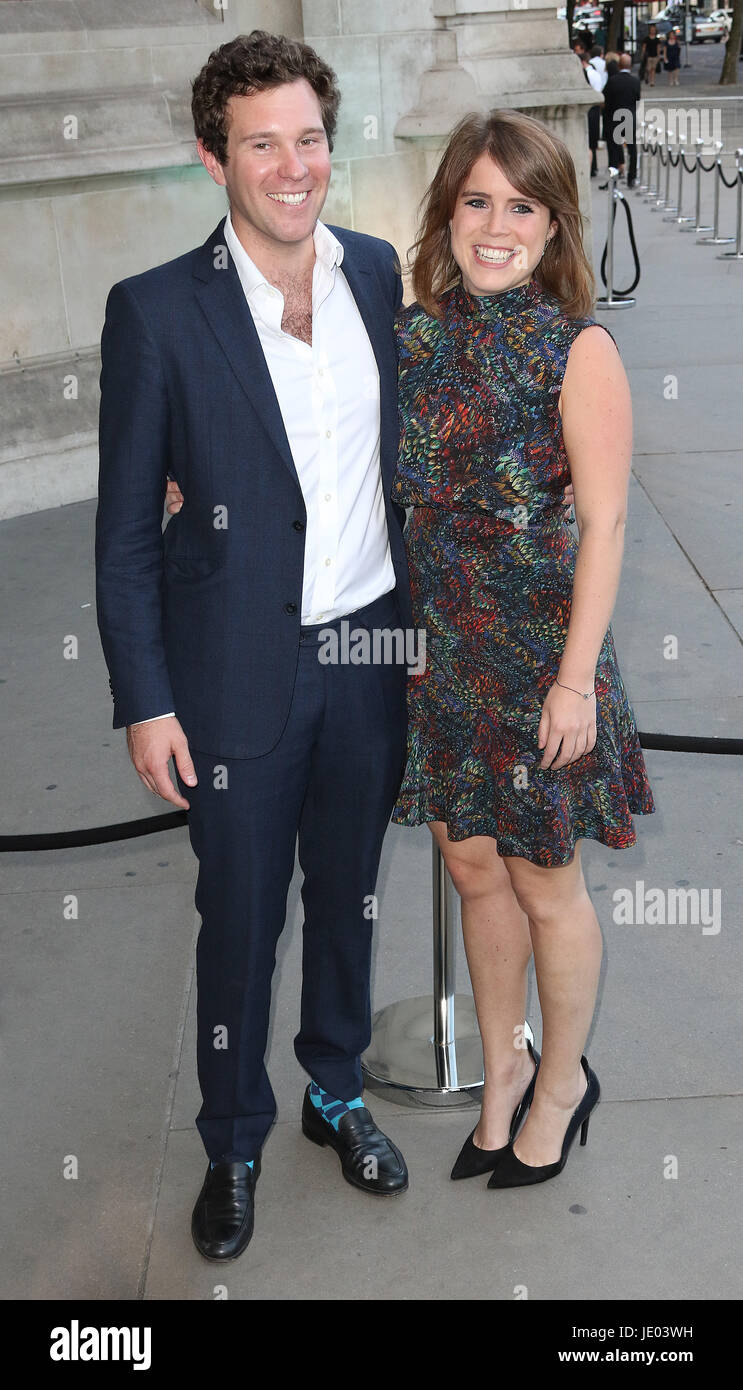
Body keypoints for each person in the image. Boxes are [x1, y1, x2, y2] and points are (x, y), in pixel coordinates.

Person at [96, 30, 415, 1265]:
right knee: (238, 918)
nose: (293, 167)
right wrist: (145, 699)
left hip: (366, 656)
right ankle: (232, 1138)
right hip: (231, 674)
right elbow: (126, 532)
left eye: (309, 137)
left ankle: (336, 1087)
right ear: (212, 159)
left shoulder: (378, 276)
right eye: (261, 143)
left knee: (348, 896)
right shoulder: (156, 313)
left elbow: (408, 466)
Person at [390, 109, 655, 1188]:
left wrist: (573, 681)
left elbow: (605, 524)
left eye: (520, 206)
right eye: (475, 201)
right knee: (468, 867)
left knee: (546, 881)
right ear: (446, 211)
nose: (494, 226)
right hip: (444, 649)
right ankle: (500, 1071)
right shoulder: (414, 334)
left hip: (544, 656)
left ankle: (560, 1083)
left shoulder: (575, 347)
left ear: (552, 227)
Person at [601, 53, 641, 188]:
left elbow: (606, 99)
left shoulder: (613, 81)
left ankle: (613, 178)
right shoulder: (635, 81)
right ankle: (632, 177)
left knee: (613, 151)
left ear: (619, 65)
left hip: (614, 118)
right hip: (629, 117)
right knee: (632, 150)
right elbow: (637, 99)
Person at [580, 46, 607, 178]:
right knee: (593, 140)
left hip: (590, 109)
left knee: (589, 140)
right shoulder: (594, 73)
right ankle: (593, 167)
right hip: (595, 108)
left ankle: (592, 167)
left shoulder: (588, 74)